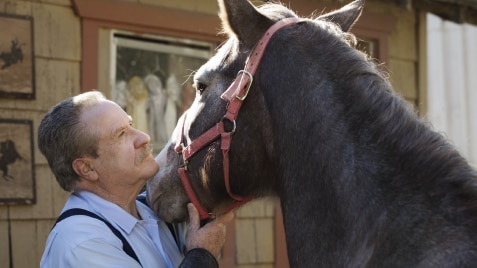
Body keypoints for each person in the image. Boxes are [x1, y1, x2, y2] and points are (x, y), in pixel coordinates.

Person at [38, 91, 233, 267]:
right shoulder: (81, 243)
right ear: (87, 168)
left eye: (130, 125)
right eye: (121, 134)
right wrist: (202, 255)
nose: (143, 137)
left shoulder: (155, 209)